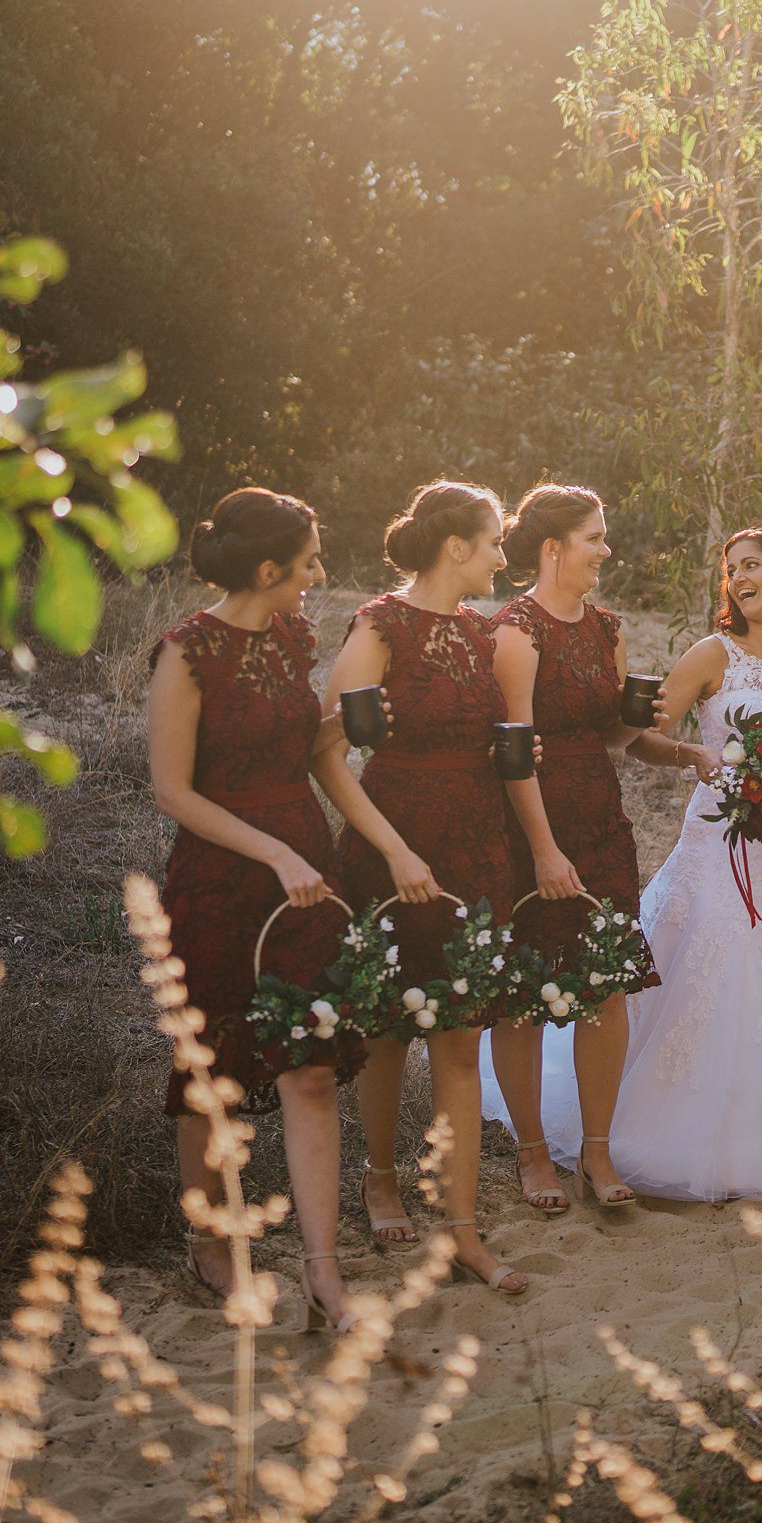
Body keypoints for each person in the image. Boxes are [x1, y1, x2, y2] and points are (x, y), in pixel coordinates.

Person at [543, 530, 762, 1200]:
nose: (739, 579)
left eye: (751, 567)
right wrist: (693, 757)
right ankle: (686, 1128)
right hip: (721, 840)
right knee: (724, 966)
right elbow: (640, 733)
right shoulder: (710, 654)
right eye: (731, 571)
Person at [146, 487, 367, 1333]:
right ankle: (209, 1242)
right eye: (309, 561)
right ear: (269, 568)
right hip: (222, 875)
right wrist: (271, 853)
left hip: (307, 868)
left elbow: (302, 745)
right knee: (216, 1073)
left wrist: (345, 726)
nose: (317, 575)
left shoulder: (291, 634)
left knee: (310, 1067)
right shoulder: (187, 652)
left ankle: (324, 1274)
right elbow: (172, 789)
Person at [322, 480, 528, 1293]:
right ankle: (377, 1178)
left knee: (461, 1034)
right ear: (457, 548)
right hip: (393, 844)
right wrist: (394, 849)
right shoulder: (380, 624)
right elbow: (325, 752)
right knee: (384, 1026)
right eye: (494, 542)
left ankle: (463, 1230)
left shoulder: (484, 635)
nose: (502, 558)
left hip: (476, 848)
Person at [481, 486, 685, 1211]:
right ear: (552, 548)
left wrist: (648, 725)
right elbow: (514, 755)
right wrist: (542, 850)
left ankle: (597, 1153)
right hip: (530, 831)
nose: (605, 550)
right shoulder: (514, 632)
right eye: (594, 538)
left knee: (605, 987)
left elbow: (611, 740)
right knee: (524, 999)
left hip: (601, 823)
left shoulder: (605, 627)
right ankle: (533, 1156)